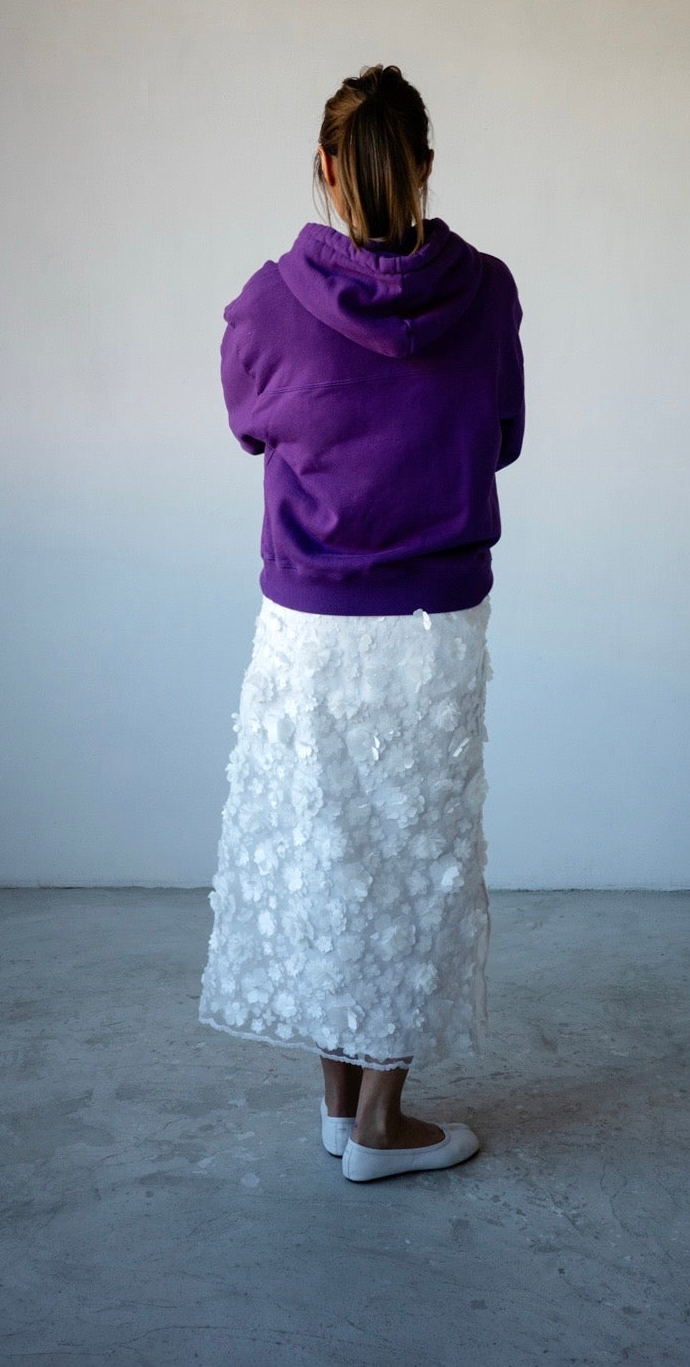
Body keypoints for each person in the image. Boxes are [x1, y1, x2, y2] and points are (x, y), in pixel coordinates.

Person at [199, 63, 525, 1182]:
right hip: (432, 626)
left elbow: (250, 422)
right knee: (412, 863)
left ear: (324, 169)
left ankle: (344, 1112)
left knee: (331, 856)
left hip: (311, 626)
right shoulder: (486, 292)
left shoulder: (269, 301)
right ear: (425, 165)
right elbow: (502, 435)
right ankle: (378, 1121)